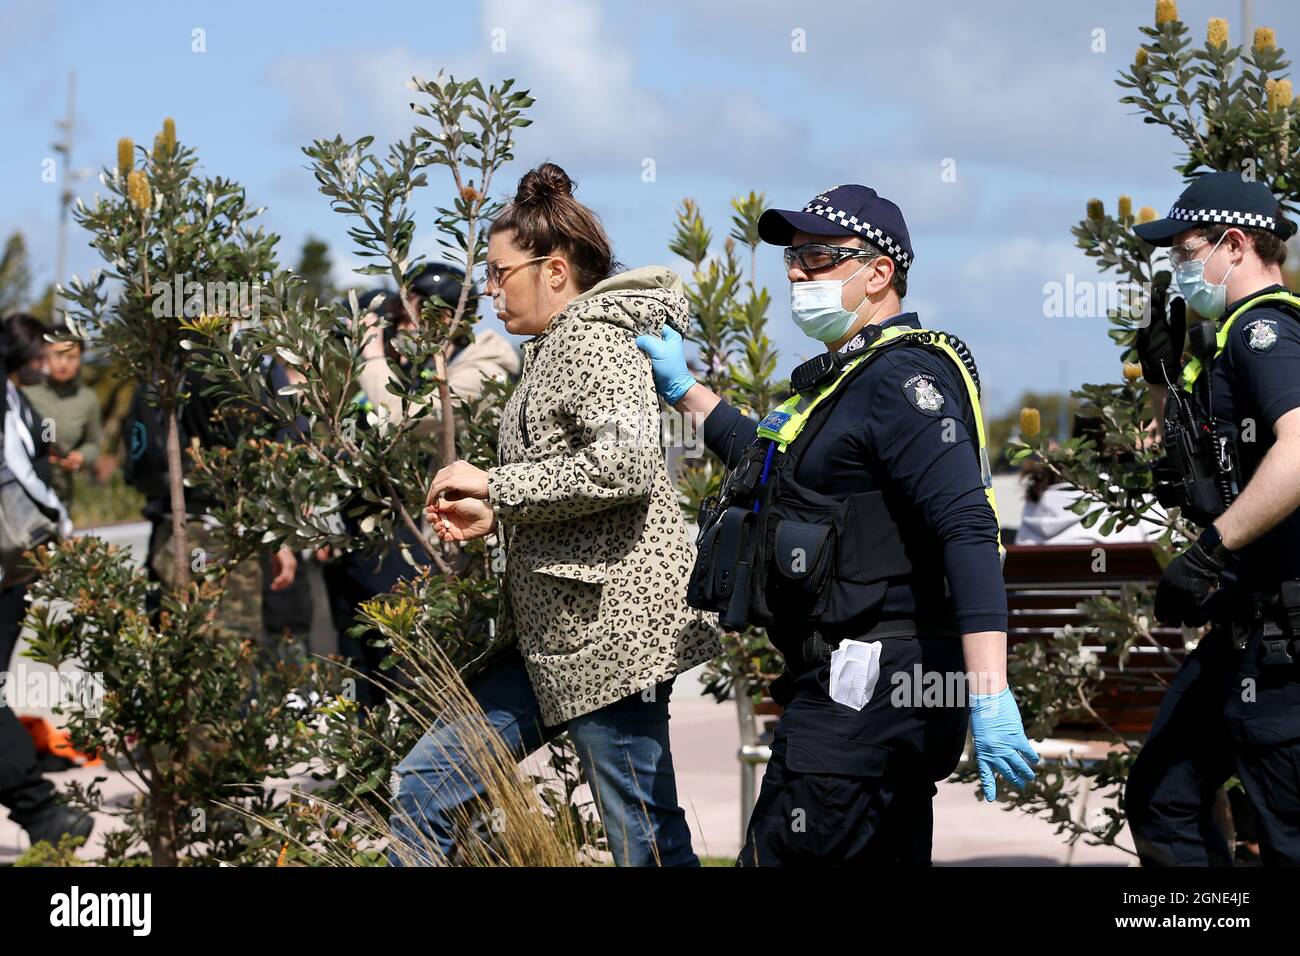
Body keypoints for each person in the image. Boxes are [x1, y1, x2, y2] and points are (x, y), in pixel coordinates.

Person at [637, 184, 1038, 865]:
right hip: (861, 695)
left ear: (879, 272)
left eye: (819, 256)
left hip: (868, 691)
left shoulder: (902, 378)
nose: (797, 271)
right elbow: (770, 466)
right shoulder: (844, 380)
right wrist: (683, 389)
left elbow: (968, 526)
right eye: (793, 256)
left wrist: (991, 694)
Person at [392, 162, 720, 867]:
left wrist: (496, 486)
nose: (488, 292)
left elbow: (626, 467)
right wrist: (495, 511)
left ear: (557, 270)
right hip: (552, 642)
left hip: (611, 638)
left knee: (645, 845)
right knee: (424, 784)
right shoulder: (553, 350)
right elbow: (571, 484)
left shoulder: (593, 340)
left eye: (499, 273)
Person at [1126, 170, 1300, 866]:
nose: (1177, 265)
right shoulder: (1227, 343)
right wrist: (1166, 388)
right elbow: (1209, 480)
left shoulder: (1263, 330)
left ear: (1234, 244)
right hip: (1244, 632)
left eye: (1184, 249)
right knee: (1164, 796)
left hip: (1284, 641)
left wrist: (1208, 551)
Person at [0, 313, 92, 847]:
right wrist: (60, 522)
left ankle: (41, 813)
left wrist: (59, 520)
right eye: (37, 354)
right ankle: (40, 812)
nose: (44, 364)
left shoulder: (14, 398)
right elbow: (21, 470)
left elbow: (24, 471)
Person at [21, 323, 102, 509]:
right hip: (23, 492)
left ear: (81, 359)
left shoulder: (87, 399)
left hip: (61, 495)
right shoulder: (25, 392)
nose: (64, 363)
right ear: (45, 354)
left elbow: (94, 442)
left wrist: (82, 457)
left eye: (71, 357)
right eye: (58, 355)